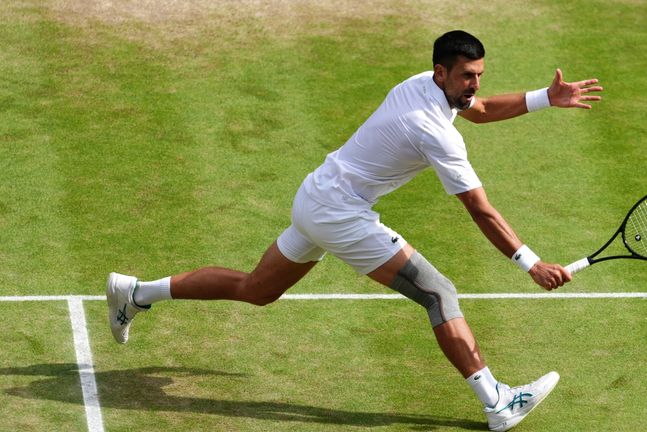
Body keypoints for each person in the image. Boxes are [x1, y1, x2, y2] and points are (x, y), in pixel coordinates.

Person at [107, 30, 602, 431]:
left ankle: (136, 293)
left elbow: (486, 109)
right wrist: (530, 262)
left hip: (315, 197)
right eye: (467, 76)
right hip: (340, 213)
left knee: (256, 289)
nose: (474, 85)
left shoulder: (423, 84)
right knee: (438, 292)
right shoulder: (433, 130)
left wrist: (545, 98)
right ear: (441, 72)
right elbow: (481, 210)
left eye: (478, 75)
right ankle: (496, 401)